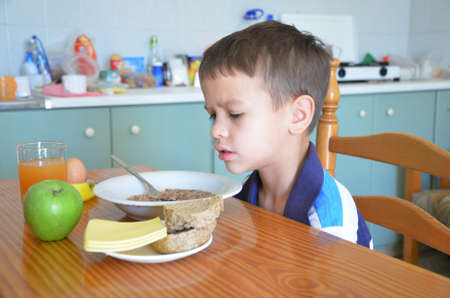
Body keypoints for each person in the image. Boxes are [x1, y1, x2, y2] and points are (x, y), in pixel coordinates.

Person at [199, 21, 372, 248]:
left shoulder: (330, 222)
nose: (216, 130)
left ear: (298, 116)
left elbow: (335, 284)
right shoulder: (248, 190)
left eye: (235, 114)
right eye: (213, 115)